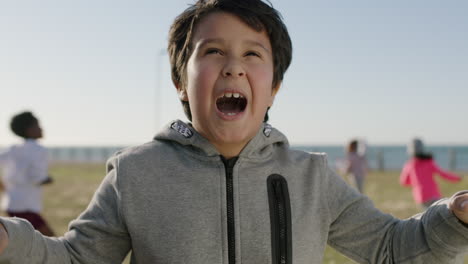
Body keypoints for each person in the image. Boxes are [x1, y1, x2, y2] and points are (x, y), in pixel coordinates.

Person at [1, 1, 468, 263]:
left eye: (252, 55)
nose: (233, 67)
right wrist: (10, 241)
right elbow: (77, 259)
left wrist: (453, 216)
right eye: (212, 52)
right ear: (180, 82)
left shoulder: (312, 177)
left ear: (274, 87)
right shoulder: (134, 174)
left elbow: (392, 247)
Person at [0, 111, 55, 237]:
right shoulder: (39, 150)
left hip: (10, 204)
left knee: (24, 243)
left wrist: (2, 185)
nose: (41, 128)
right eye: (37, 125)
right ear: (29, 130)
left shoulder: (13, 149)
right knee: (51, 240)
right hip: (27, 207)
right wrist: (48, 179)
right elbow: (37, 177)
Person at [400, 138, 461, 209]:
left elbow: (404, 182)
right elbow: (442, 173)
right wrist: (457, 178)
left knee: (428, 217)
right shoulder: (428, 162)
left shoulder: (409, 165)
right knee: (441, 215)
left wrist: (417, 183)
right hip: (434, 195)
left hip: (421, 196)